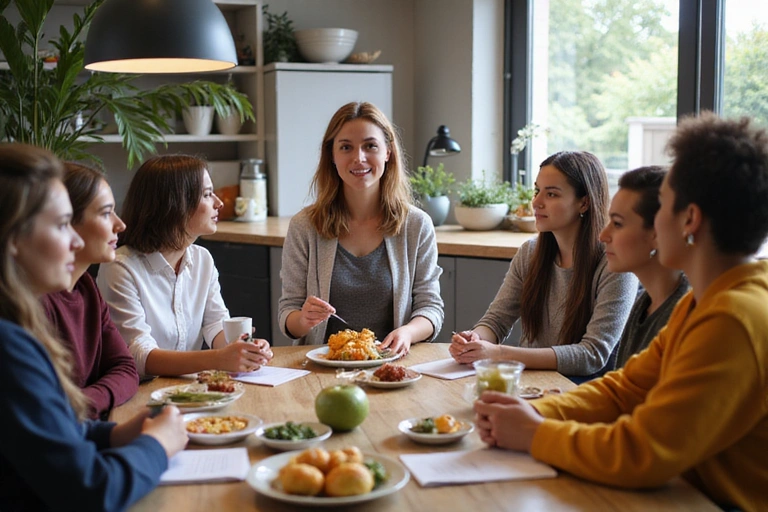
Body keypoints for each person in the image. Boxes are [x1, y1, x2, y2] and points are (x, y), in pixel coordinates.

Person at [473, 113, 768, 512]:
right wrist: (531, 411)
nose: (605, 234)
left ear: (689, 220)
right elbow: (625, 389)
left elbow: (642, 452)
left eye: (662, 204)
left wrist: (534, 433)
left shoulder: (733, 317)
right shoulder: (707, 301)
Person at [0, 143, 188, 511]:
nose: (74, 240)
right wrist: (158, 445)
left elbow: (52, 435)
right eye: (60, 225)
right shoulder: (9, 344)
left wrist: (115, 433)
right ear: (12, 239)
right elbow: (91, 491)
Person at [450, 151, 637, 376]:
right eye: (537, 191)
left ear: (584, 203)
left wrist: (498, 353)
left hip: (581, 392)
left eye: (551, 194)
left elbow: (592, 355)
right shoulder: (529, 252)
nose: (536, 203)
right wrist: (475, 340)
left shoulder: (616, 265)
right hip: (530, 381)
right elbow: (497, 319)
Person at [279, 102, 443, 354]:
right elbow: (288, 314)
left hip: (390, 364)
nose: (359, 158)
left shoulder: (416, 225)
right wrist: (303, 319)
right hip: (323, 367)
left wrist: (408, 332)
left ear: (388, 152)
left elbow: (431, 307)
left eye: (370, 146)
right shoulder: (304, 227)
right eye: (346, 147)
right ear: (332, 156)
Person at [97, 155, 273, 377]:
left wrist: (245, 348)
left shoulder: (202, 259)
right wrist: (218, 358)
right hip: (139, 393)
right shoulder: (120, 267)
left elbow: (215, 326)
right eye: (208, 194)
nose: (218, 203)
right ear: (175, 204)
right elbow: (138, 356)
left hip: (189, 389)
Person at [41, 162, 139, 420]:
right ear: (67, 222)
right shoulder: (34, 304)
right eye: (106, 213)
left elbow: (126, 368)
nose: (120, 225)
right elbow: (53, 415)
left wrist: (86, 402)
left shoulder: (86, 287)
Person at [599, 166, 689, 370]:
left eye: (618, 224)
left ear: (657, 233)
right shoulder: (644, 302)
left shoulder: (683, 312)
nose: (603, 236)